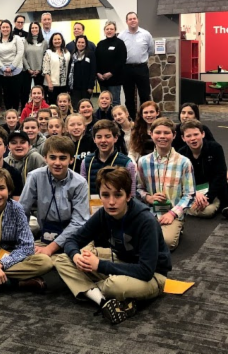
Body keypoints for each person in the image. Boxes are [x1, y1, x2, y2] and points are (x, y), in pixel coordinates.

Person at [53, 166, 171, 325]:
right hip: (120, 262)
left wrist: (99, 265)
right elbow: (71, 241)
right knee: (61, 259)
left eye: (118, 195)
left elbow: (146, 271)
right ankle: (102, 301)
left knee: (114, 285)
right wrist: (76, 256)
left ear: (128, 196)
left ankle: (87, 289)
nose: (111, 202)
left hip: (153, 276)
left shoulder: (146, 221)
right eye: (105, 195)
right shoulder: (103, 214)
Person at [19, 135, 90, 257]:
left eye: (62, 158)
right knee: (30, 258)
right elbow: (22, 211)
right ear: (45, 158)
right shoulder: (35, 177)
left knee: (83, 259)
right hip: (44, 234)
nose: (57, 163)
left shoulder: (80, 183)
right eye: (52, 157)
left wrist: (51, 248)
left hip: (72, 236)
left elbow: (79, 222)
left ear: (71, 160)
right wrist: (25, 239)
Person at [136, 117, 194, 251]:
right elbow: (139, 188)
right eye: (158, 132)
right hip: (149, 211)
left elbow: (190, 194)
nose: (162, 136)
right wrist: (148, 197)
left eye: (166, 133)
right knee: (131, 238)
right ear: (151, 134)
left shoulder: (184, 162)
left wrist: (172, 214)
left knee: (167, 243)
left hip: (172, 211)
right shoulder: (143, 161)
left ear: (174, 135)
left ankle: (177, 227)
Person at [176, 119, 228, 218]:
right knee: (204, 211)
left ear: (203, 134)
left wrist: (208, 198)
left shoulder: (215, 148)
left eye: (196, 134)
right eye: (188, 136)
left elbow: (220, 175)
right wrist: (194, 193)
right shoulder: (181, 153)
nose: (193, 138)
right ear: (183, 138)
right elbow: (182, 179)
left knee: (207, 211)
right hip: (195, 189)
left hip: (213, 188)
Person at [80, 120, 137, 213]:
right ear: (94, 139)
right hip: (92, 211)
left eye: (107, 136)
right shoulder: (86, 162)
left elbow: (132, 194)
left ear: (115, 138)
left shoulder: (127, 163)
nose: (103, 140)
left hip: (119, 212)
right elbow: (82, 192)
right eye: (99, 137)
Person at [119, 12, 155, 117]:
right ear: (126, 21)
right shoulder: (121, 36)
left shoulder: (146, 34)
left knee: (144, 95)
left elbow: (151, 51)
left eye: (134, 18)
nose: (132, 21)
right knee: (129, 96)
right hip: (127, 69)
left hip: (141, 68)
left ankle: (145, 117)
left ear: (137, 20)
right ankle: (132, 119)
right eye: (130, 19)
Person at [0, 19, 25, 111]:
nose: (5, 29)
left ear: (11, 28)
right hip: (2, 71)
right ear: (0, 28)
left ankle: (15, 112)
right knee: (6, 94)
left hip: (16, 70)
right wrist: (3, 68)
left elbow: (20, 53)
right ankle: (8, 112)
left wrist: (12, 67)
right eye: (3, 27)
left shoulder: (17, 38)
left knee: (16, 93)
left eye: (7, 27)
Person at [95, 21, 126, 106]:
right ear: (104, 31)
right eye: (107, 29)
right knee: (104, 102)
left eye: (111, 29)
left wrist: (111, 73)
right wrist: (98, 73)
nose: (109, 31)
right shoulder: (100, 44)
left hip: (115, 79)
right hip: (102, 79)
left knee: (115, 102)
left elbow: (121, 60)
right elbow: (96, 59)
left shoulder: (120, 43)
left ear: (115, 30)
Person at [67, 35, 96, 103]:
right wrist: (68, 87)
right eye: (79, 42)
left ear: (86, 44)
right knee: (75, 105)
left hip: (86, 87)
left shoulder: (90, 54)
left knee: (85, 104)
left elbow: (93, 71)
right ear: (76, 43)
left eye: (83, 42)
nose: (80, 44)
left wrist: (91, 86)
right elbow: (69, 71)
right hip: (74, 87)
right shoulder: (73, 54)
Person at [43, 33, 69, 105]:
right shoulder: (48, 52)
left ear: (62, 40)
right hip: (52, 85)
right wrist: (49, 83)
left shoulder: (67, 52)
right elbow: (45, 69)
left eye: (59, 39)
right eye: (55, 39)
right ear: (52, 41)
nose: (57, 41)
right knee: (53, 105)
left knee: (63, 105)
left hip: (64, 85)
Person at [24, 22, 47, 99]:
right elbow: (23, 56)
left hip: (39, 72)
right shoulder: (25, 41)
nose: (34, 29)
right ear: (30, 29)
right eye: (32, 28)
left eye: (36, 28)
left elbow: (45, 57)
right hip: (27, 71)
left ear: (39, 29)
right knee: (26, 93)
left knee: (40, 93)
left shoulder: (44, 42)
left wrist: (39, 69)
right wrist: (28, 69)